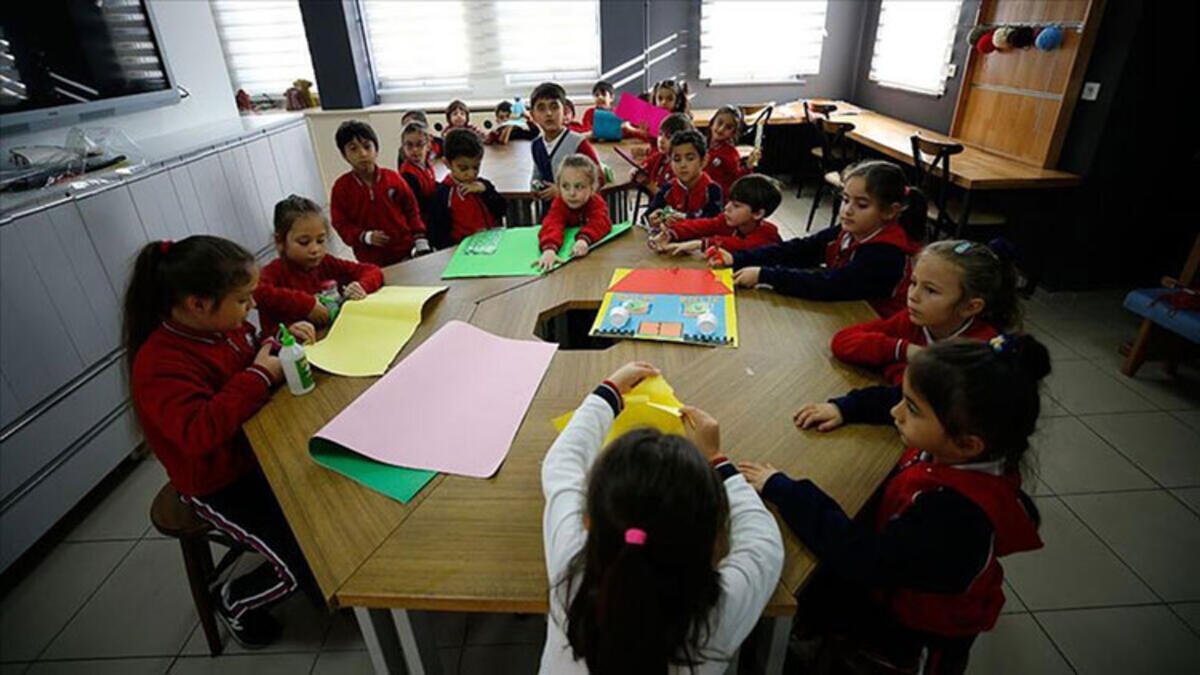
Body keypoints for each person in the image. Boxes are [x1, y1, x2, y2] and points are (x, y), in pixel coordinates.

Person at [740, 335, 1049, 675]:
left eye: (911, 409)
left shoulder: (956, 519)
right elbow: (896, 401)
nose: (894, 412)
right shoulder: (964, 442)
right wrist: (846, 407)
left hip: (915, 634)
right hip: (897, 576)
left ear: (967, 444)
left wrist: (785, 489)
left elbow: (861, 556)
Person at [125, 235, 320, 649]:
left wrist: (277, 342)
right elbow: (200, 432)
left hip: (255, 452)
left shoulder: (222, 326)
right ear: (197, 304)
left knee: (326, 506)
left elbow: (248, 354)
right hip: (216, 483)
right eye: (243, 300)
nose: (251, 308)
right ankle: (235, 600)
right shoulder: (158, 364)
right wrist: (262, 374)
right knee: (302, 563)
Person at [541, 361, 784, 673]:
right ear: (712, 542)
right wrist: (716, 459)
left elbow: (562, 464)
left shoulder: (570, 566)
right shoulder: (719, 609)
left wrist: (609, 393)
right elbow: (763, 543)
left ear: (588, 521)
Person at [797, 239, 1019, 432]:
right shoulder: (914, 321)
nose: (913, 296)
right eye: (913, 283)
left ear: (970, 307)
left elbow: (914, 401)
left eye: (930, 290)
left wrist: (846, 407)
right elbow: (843, 341)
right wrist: (904, 351)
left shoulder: (977, 352)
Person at [710, 160, 924, 317]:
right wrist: (737, 259)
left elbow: (832, 284)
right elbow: (801, 249)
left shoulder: (886, 254)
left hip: (874, 320)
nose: (847, 211)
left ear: (890, 212)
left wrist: (765, 275)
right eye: (845, 200)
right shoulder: (848, 231)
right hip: (843, 309)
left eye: (861, 205)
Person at [254, 194, 383, 339]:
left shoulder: (325, 263)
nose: (315, 249)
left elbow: (372, 270)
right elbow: (255, 292)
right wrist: (306, 305)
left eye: (320, 240)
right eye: (304, 242)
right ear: (280, 242)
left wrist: (361, 286)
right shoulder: (274, 272)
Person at [330, 120, 431, 266]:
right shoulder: (341, 188)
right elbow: (341, 224)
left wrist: (420, 239)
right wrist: (364, 236)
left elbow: (411, 210)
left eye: (367, 146)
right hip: (370, 259)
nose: (362, 154)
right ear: (344, 155)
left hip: (405, 252)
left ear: (376, 149)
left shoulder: (393, 178)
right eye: (353, 149)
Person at [650, 174, 783, 256]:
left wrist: (700, 244)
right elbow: (703, 225)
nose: (726, 208)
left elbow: (740, 245)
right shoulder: (728, 221)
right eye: (729, 202)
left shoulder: (768, 234)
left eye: (736, 206)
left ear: (758, 213)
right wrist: (671, 233)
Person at [429, 128, 507, 248]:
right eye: (463, 168)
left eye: (476, 167)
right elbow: (437, 235)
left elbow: (502, 210)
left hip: (491, 245)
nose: (471, 174)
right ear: (447, 164)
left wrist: (486, 191)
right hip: (462, 251)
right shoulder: (443, 194)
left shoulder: (483, 185)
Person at [529, 82, 606, 201]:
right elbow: (538, 172)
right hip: (552, 211)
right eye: (541, 108)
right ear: (533, 116)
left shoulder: (578, 142)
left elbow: (599, 178)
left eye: (554, 107)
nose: (548, 113)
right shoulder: (536, 145)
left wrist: (562, 191)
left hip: (579, 212)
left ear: (564, 112)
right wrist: (534, 185)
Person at [535, 154, 612, 272]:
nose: (571, 193)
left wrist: (584, 240)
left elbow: (601, 222)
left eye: (579, 187)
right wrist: (549, 249)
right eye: (565, 186)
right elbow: (552, 223)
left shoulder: (596, 202)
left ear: (592, 188)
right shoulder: (560, 202)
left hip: (593, 264)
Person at [645, 129, 723, 230]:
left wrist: (684, 218)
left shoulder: (712, 190)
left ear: (704, 160)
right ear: (670, 161)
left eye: (690, 158)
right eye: (677, 159)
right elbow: (648, 215)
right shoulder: (667, 188)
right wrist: (653, 219)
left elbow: (714, 222)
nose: (683, 165)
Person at [705, 105, 761, 197]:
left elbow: (737, 178)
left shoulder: (730, 153)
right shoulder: (702, 144)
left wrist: (748, 166)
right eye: (719, 123)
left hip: (719, 198)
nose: (721, 129)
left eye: (728, 127)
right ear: (712, 123)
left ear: (733, 133)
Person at [631, 112, 692, 196]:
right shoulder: (660, 156)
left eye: (668, 137)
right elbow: (644, 165)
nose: (661, 140)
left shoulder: (681, 166)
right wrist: (635, 171)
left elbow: (667, 199)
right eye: (660, 134)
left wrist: (648, 183)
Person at [397, 121, 438, 226]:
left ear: (428, 145)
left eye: (419, 145)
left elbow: (431, 185)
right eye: (409, 146)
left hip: (430, 214)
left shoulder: (427, 164)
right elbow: (418, 205)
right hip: (422, 222)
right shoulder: (407, 174)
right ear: (403, 147)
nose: (414, 150)